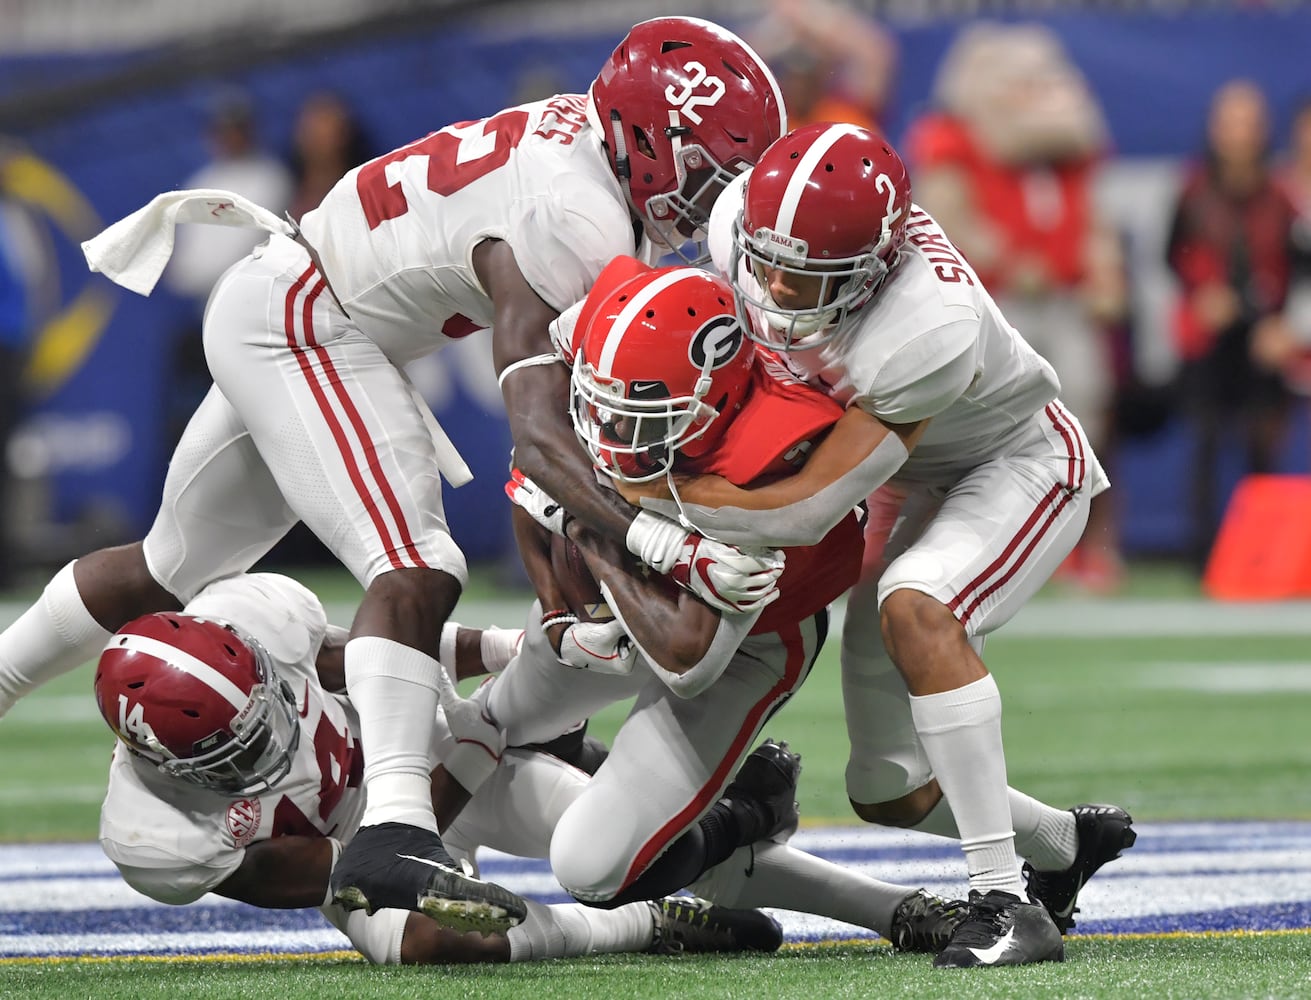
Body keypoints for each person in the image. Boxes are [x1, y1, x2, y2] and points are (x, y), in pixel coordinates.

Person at [0, 15, 788, 932]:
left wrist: (570, 598)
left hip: (288, 297)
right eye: (711, 170)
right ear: (649, 141)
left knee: (167, 568)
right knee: (415, 568)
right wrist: (653, 546)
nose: (719, 197)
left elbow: (556, 446)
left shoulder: (587, 148)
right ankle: (395, 831)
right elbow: (539, 442)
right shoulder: (576, 215)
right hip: (307, 322)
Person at [616, 122, 1138, 967]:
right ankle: (1062, 847)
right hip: (905, 472)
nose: (777, 286)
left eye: (808, 274)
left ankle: (1007, 902)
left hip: (1013, 460)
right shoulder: (738, 225)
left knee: (917, 610)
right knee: (887, 787)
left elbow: (801, 510)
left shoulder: (925, 322)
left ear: (874, 264)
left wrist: (640, 497)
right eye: (766, 258)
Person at [461, 258, 967, 956]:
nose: (609, 437)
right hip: (620, 592)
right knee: (485, 733)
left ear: (717, 403)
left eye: (642, 418)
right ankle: (630, 778)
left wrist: (586, 524)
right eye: (601, 408)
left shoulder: (769, 458)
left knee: (595, 864)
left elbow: (686, 656)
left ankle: (747, 818)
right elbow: (533, 471)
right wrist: (559, 601)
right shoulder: (606, 340)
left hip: (747, 638)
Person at [92, 571, 786, 964]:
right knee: (432, 942)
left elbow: (364, 653)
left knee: (591, 803)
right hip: (362, 833)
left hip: (409, 743)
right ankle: (650, 927)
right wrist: (476, 750)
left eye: (262, 709)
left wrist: (505, 651)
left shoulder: (249, 614)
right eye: (233, 751)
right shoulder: (155, 836)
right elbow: (360, 871)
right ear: (167, 764)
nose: (268, 740)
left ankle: (732, 814)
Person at [904, 23, 1128, 592]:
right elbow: (945, 221)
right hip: (996, 303)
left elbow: (1093, 219)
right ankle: (971, 545)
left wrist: (1104, 268)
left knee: (1089, 418)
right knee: (985, 428)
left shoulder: (1071, 155)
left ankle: (1094, 545)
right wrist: (1005, 257)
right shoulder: (953, 138)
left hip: (1068, 300)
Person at [1165, 79, 1300, 569]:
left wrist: (1282, 324)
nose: (1240, 134)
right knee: (1205, 438)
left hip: (1263, 339)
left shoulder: (1280, 197)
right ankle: (1201, 553)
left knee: (1262, 443)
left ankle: (1264, 554)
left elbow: (1294, 268)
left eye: (1250, 123)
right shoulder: (1194, 190)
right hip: (1209, 338)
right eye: (1231, 122)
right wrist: (1202, 296)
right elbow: (1173, 257)